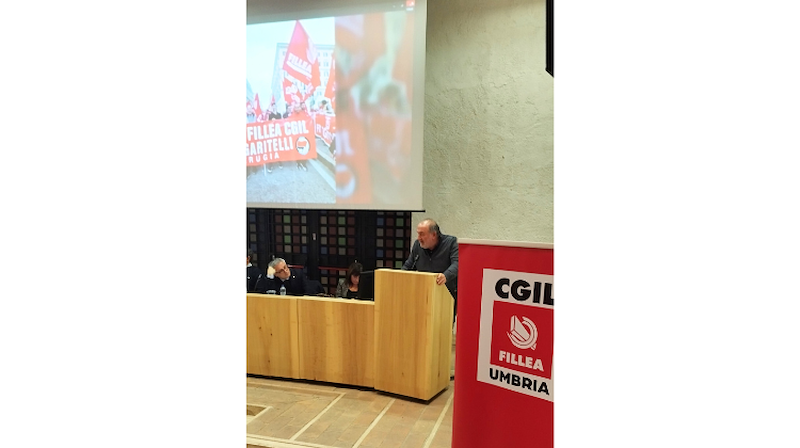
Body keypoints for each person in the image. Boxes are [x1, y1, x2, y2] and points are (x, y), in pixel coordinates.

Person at [402, 218, 459, 318]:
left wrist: (446, 276)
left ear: (433, 235)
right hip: (422, 296)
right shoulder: (418, 245)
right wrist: (399, 276)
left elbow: (457, 264)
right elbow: (408, 265)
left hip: (445, 296)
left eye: (422, 234)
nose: (418, 238)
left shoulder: (451, 243)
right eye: (418, 234)